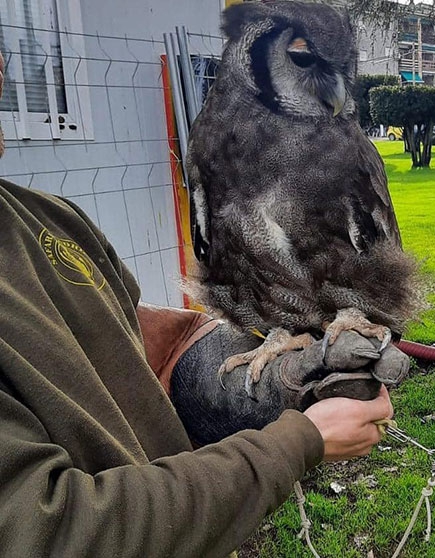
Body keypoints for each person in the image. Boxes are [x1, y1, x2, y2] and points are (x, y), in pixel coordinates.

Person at [0, 51, 393, 556]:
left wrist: (256, 379)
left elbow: (136, 350)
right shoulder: (214, 161)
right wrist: (294, 443)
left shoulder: (49, 220)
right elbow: (54, 532)